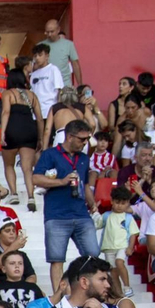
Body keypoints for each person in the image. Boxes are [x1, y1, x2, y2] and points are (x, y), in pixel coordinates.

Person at [35, 120, 100, 292]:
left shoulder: (84, 158)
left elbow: (85, 184)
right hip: (57, 215)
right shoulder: (50, 154)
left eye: (86, 139)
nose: (85, 143)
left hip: (81, 213)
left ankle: (90, 293)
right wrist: (62, 181)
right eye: (81, 139)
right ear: (69, 136)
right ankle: (59, 298)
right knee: (57, 260)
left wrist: (92, 203)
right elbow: (36, 178)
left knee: (93, 254)